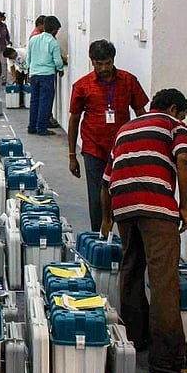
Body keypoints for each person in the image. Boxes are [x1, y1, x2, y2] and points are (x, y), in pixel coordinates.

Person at [100, 89, 187, 373]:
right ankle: (167, 359)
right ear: (173, 109)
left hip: (123, 207)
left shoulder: (125, 129)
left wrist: (107, 218)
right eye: (181, 114)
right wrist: (183, 206)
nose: (183, 119)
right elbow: (184, 160)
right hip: (156, 207)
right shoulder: (174, 125)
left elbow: (107, 181)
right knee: (164, 280)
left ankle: (134, 339)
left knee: (131, 271)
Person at [68, 39, 148, 231]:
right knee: (96, 195)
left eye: (108, 63)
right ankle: (99, 236)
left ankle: (124, 237)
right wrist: (72, 155)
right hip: (93, 147)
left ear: (113, 60)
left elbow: (140, 112)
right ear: (92, 62)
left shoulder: (129, 81)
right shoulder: (82, 86)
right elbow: (74, 119)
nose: (104, 68)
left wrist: (145, 143)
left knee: (123, 193)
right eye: (99, 64)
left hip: (122, 149)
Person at [26, 15, 64, 135]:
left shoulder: (33, 40)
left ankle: (32, 127)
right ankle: (41, 128)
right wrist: (60, 69)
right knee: (45, 102)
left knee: (34, 101)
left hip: (34, 73)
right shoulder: (53, 42)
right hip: (47, 75)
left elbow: (29, 57)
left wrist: (29, 71)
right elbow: (57, 60)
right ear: (54, 30)